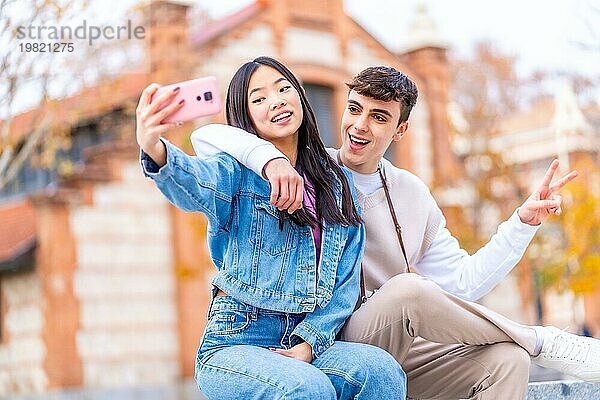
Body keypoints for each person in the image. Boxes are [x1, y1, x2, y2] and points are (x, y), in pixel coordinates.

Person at [192, 65, 600, 399]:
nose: (359, 126)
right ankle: (541, 340)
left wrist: (521, 224)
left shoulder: (411, 193)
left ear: (400, 131)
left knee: (508, 360)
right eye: (354, 109)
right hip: (331, 336)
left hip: (398, 347)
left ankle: (525, 346)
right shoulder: (311, 173)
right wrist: (269, 160)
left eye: (379, 117)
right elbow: (209, 136)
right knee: (408, 289)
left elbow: (462, 283)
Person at [135, 57, 406, 400]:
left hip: (307, 337)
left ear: (300, 97)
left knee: (382, 372)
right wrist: (154, 148)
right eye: (258, 98)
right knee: (308, 388)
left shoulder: (336, 184)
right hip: (237, 339)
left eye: (282, 89)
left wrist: (310, 342)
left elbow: (345, 281)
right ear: (245, 116)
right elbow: (195, 181)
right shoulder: (234, 170)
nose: (275, 101)